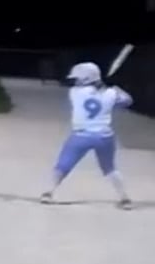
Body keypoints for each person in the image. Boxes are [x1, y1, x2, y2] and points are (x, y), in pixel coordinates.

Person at [43, 62, 134, 209]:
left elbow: (89, 93)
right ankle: (125, 199)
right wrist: (114, 89)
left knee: (63, 165)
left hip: (81, 136)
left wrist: (104, 89)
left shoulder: (74, 92)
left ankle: (48, 193)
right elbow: (127, 101)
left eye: (78, 78)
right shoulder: (110, 93)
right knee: (110, 168)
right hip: (104, 136)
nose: (76, 81)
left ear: (85, 79)